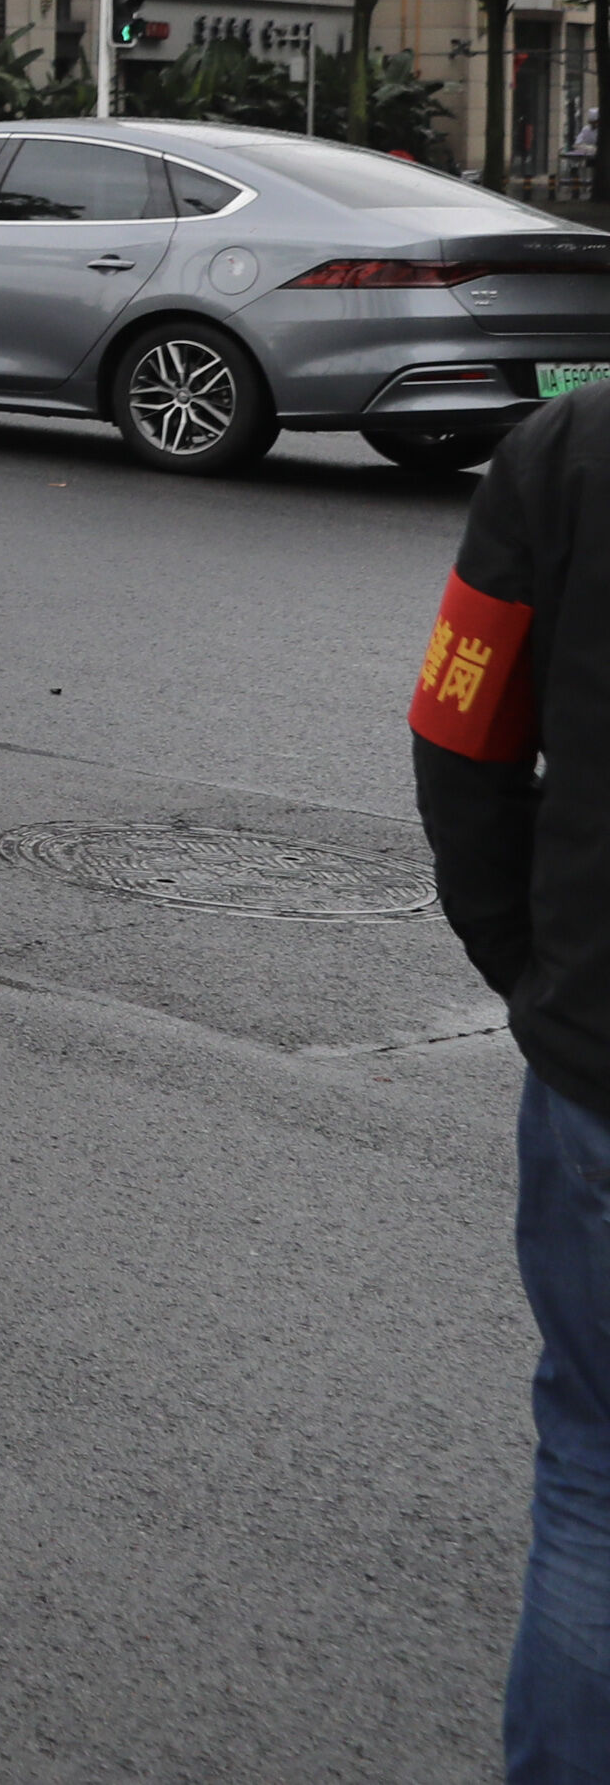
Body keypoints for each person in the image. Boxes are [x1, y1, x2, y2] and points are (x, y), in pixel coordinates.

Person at [417, 387, 610, 1772]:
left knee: (598, 1477)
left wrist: (532, 974)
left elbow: (460, 728)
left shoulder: (569, 452)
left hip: (603, 1058)